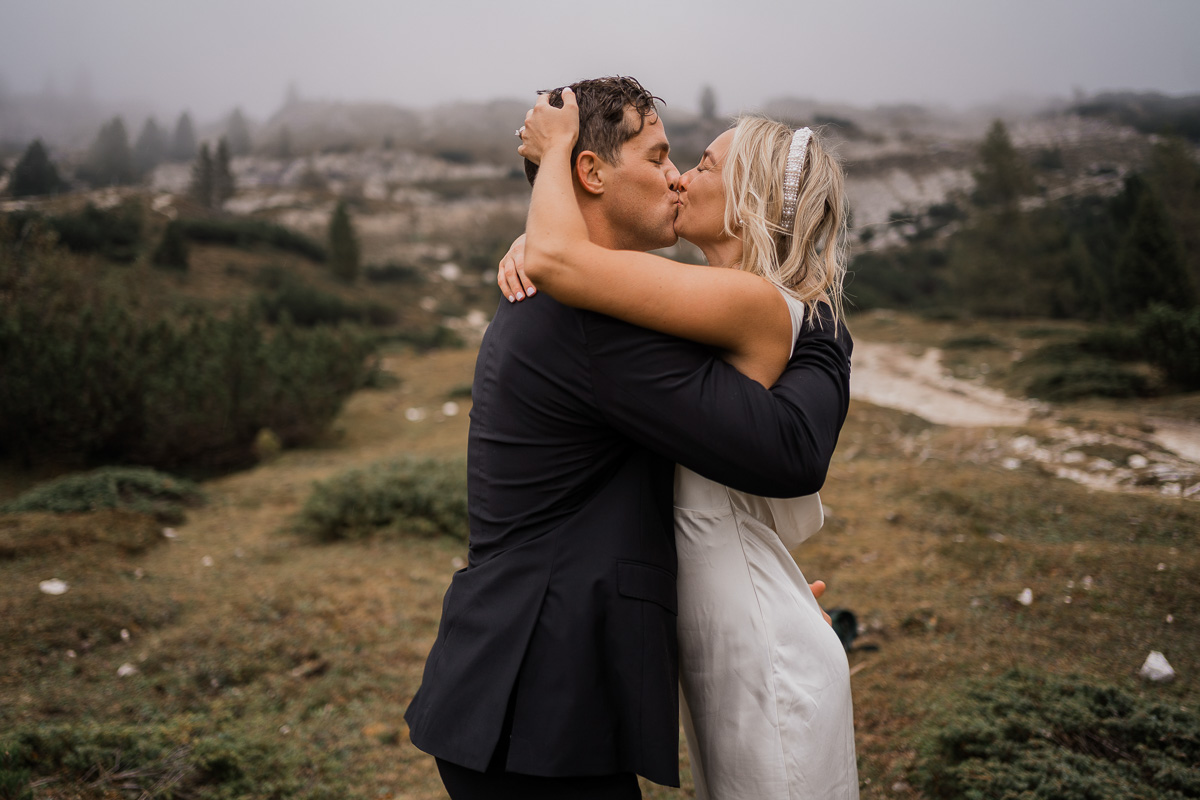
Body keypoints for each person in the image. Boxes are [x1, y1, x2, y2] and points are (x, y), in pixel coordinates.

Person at [404, 76, 852, 800]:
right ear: (591, 172)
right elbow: (783, 449)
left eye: (693, 163)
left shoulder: (590, 304)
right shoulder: (593, 323)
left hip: (535, 697)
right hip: (534, 702)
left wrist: (764, 593)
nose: (677, 177)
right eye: (662, 157)